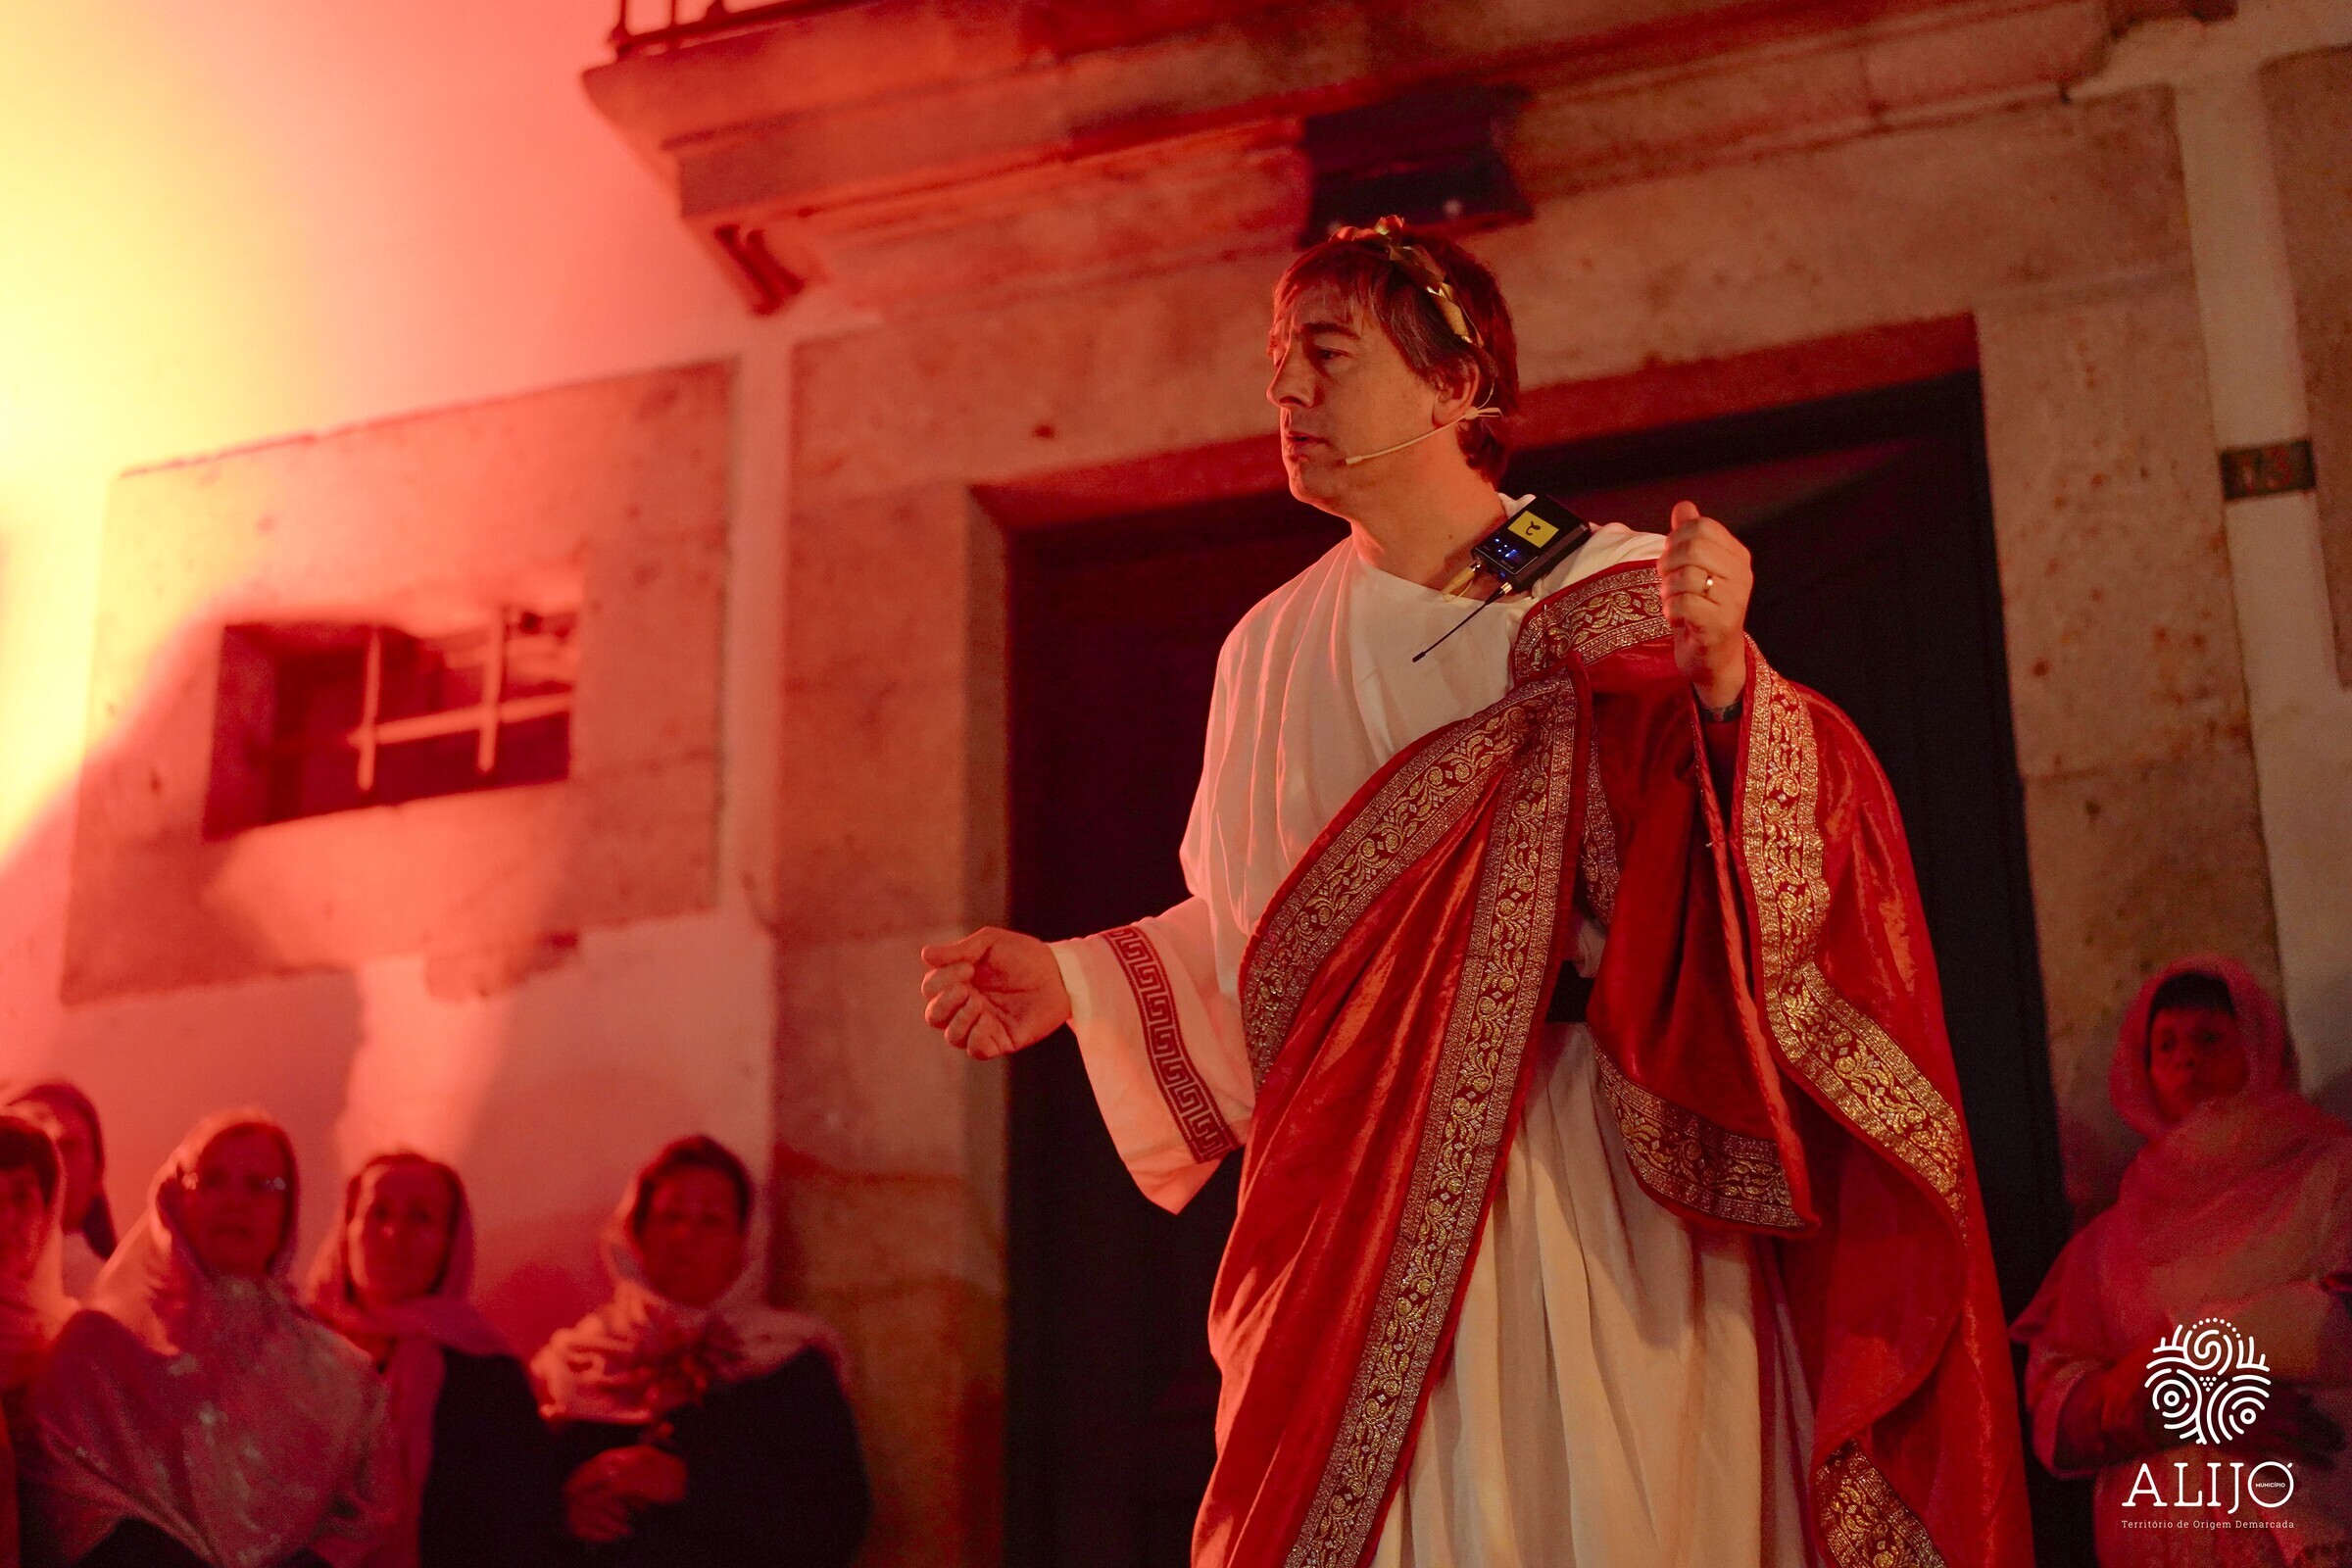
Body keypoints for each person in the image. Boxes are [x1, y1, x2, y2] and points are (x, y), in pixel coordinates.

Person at [920, 217, 2031, 1566]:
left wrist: (1729, 693)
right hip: (1359, 1215)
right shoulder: (1267, 650)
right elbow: (1269, 947)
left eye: (1327, 355)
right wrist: (1074, 981)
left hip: (1600, 1177)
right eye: (1277, 360)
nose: (1285, 391)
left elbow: (1747, 882)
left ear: (1455, 385)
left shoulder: (1607, 590)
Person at [2014, 958, 2352, 1563]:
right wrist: (2173, 1403)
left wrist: (2199, 1358)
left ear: (2259, 1045)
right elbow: (2055, 1406)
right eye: (2165, 1045)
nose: (2186, 1060)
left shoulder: (2332, 1177)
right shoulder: (2110, 1238)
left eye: (2209, 1038)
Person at [21, 1111, 395, 1568]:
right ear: (176, 1198)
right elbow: (59, 1492)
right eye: (212, 1180)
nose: (235, 1202)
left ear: (288, 1209)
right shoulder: (98, 1346)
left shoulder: (342, 1380)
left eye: (261, 1186)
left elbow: (365, 1521)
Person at [531, 1136, 868, 1568]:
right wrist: (563, 1516)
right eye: (669, 1216)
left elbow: (835, 1524)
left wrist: (689, 1484)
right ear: (635, 1233)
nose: (685, 1236)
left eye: (711, 1221)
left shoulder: (787, 1363)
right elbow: (509, 1504)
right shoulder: (576, 1362)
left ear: (744, 1241)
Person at [306, 1152, 560, 1568]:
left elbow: (522, 1532)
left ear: (450, 1243)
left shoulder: (488, 1377)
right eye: (378, 1213)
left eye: (421, 1218)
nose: (394, 1234)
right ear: (346, 1230)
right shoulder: (293, 1351)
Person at [4, 1084, 116, 1299]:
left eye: (68, 1147)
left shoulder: (110, 1299)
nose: (55, 1163)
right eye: (37, 1145)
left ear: (97, 1173)